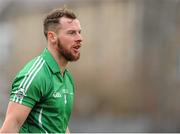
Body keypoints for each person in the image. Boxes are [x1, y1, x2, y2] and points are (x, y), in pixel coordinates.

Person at [0, 6, 83, 133]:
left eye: (79, 32)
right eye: (71, 33)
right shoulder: (35, 75)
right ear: (52, 37)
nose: (79, 38)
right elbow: (10, 127)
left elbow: (60, 124)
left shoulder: (66, 77)